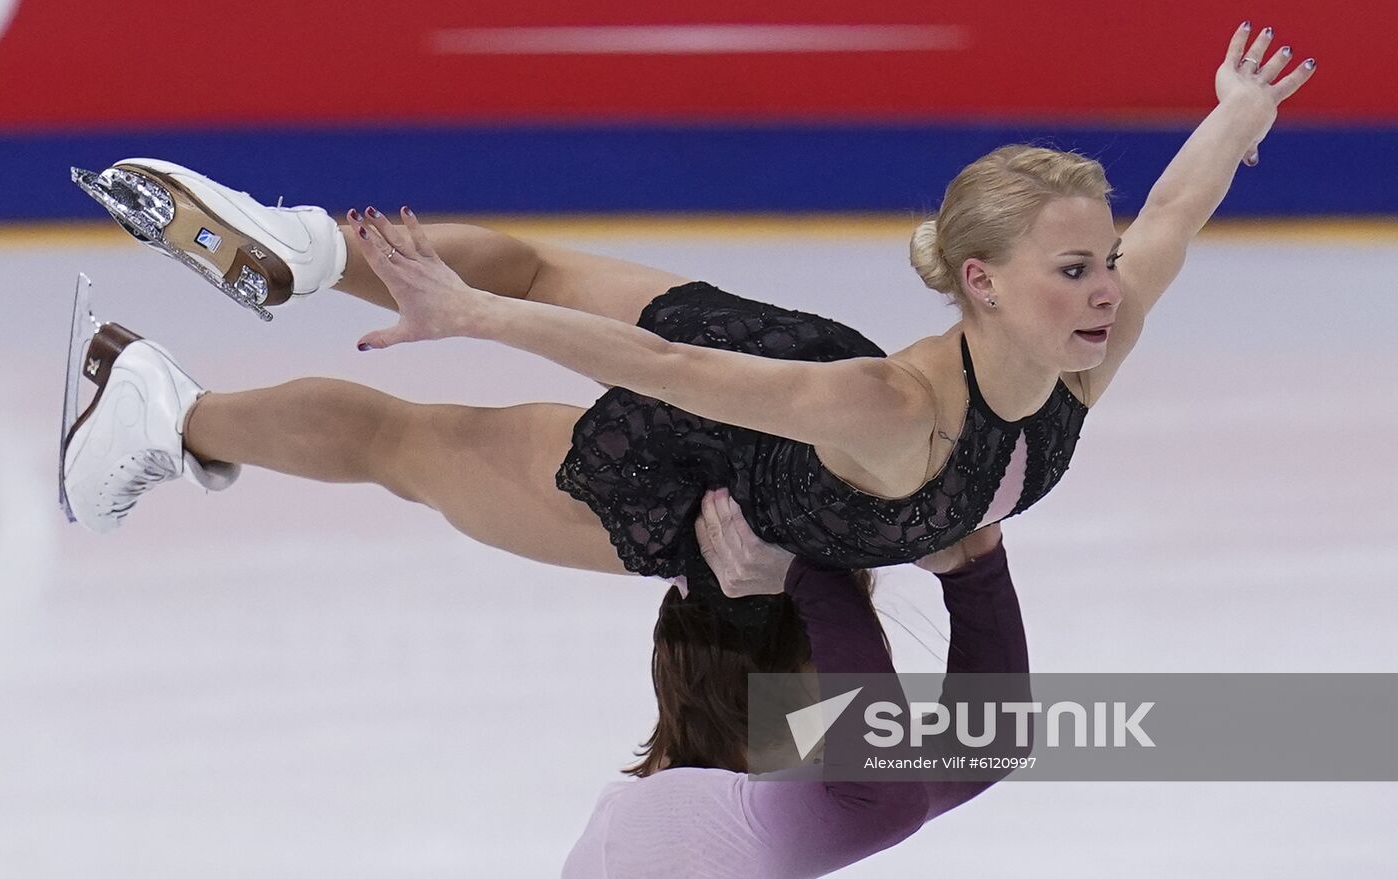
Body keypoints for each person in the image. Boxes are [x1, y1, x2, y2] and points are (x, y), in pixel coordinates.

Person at [63, 26, 1313, 616]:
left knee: (548, 263)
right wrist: (473, 314)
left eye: (1100, 267)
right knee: (410, 448)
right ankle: (171, 412)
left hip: (775, 347)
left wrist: (1236, 117)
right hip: (690, 467)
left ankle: (314, 248)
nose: (1103, 288)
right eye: (1071, 269)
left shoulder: (1081, 356)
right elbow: (661, 370)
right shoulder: (894, 411)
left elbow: (1173, 216)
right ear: (980, 281)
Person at [562, 492, 1023, 878]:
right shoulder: (662, 824)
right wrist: (810, 580)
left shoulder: (709, 813)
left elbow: (985, 739)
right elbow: (885, 798)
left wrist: (974, 567)